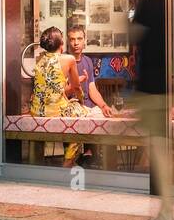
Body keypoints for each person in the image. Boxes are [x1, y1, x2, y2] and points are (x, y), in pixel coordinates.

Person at [125, 0, 174, 220]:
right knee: (162, 148)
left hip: (150, 86)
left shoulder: (148, 2)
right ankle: (166, 208)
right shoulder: (170, 2)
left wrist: (126, 20)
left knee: (158, 150)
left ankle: (166, 211)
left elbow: (133, 35)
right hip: (165, 85)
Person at [29, 26, 89, 167]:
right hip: (55, 112)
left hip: (36, 111)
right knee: (82, 116)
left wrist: (77, 82)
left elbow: (55, 89)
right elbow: (76, 88)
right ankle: (68, 161)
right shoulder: (69, 59)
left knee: (71, 108)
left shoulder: (40, 60)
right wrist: (81, 100)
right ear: (61, 44)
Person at [66, 25, 116, 116]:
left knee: (109, 116)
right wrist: (75, 85)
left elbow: (92, 88)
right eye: (72, 39)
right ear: (68, 42)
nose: (76, 43)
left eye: (79, 39)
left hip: (89, 107)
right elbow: (60, 93)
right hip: (71, 107)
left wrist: (103, 105)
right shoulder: (63, 61)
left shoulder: (88, 61)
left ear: (84, 41)